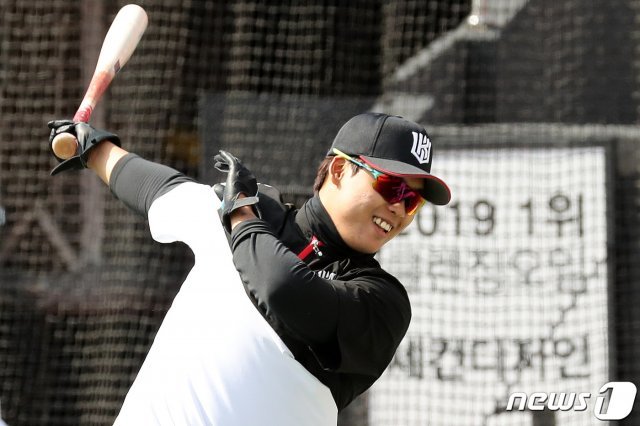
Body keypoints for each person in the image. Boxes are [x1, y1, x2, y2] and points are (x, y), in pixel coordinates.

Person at [47, 112, 451, 425]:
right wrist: (92, 146)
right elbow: (157, 188)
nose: (399, 208)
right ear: (340, 170)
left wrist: (241, 216)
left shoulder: (383, 299)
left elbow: (281, 288)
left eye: (412, 201)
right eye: (392, 187)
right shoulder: (254, 214)